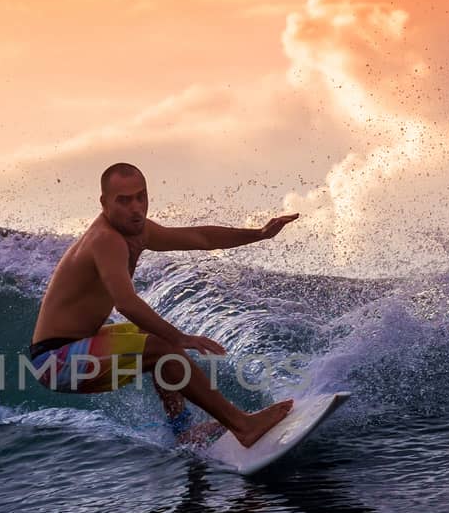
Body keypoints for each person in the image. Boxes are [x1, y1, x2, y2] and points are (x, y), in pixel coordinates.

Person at [27, 161, 299, 448]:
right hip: (54, 360)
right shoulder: (106, 240)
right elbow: (127, 304)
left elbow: (201, 238)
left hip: (80, 345)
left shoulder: (137, 230)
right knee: (163, 347)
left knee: (155, 343)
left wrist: (257, 234)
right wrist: (180, 338)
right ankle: (243, 425)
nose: (135, 207)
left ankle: (183, 431)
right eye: (124, 200)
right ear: (104, 203)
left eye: (140, 197)